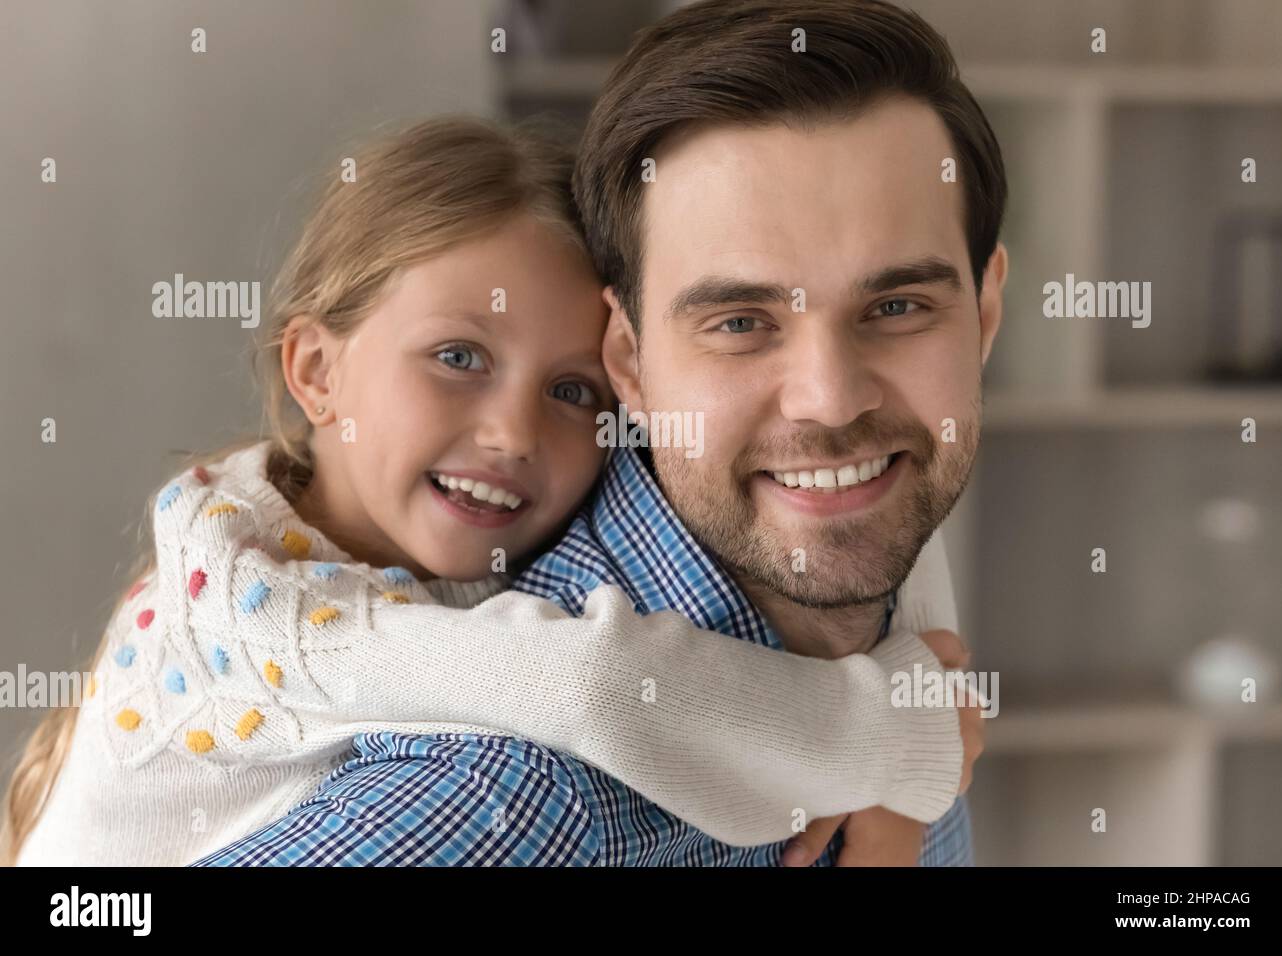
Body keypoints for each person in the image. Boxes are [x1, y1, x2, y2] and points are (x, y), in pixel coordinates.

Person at [3, 113, 972, 867]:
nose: (514, 433)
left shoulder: (421, 518)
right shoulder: (259, 611)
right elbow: (590, 684)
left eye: (569, 389)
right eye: (457, 356)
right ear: (316, 370)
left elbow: (848, 479)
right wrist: (897, 739)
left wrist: (907, 714)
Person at [194, 0, 1008, 867]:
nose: (832, 402)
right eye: (738, 321)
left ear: (986, 312)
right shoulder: (511, 799)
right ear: (631, 359)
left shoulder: (892, 605)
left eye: (897, 307)